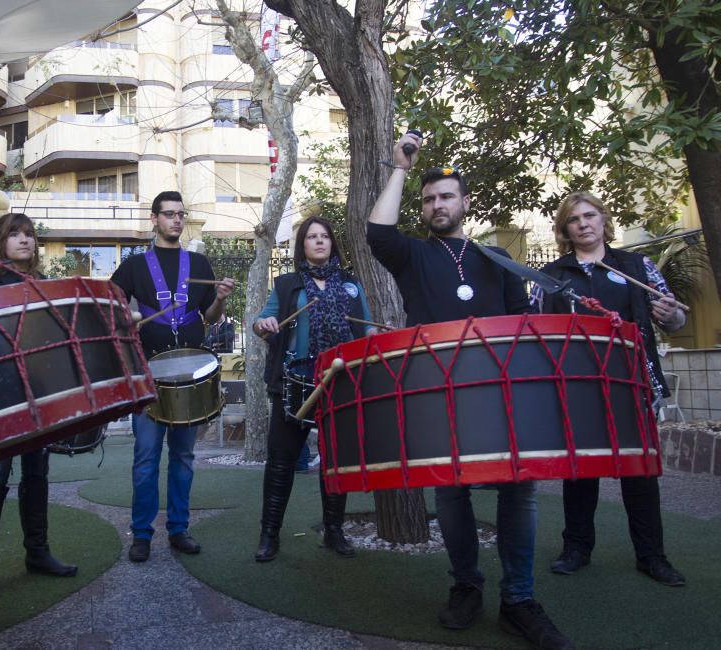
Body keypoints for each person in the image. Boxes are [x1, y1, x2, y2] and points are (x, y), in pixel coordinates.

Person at [365, 132, 573, 650]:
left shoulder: (496, 258)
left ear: (464, 203)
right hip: (439, 393)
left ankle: (519, 601)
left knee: (518, 491)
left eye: (446, 197)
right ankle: (465, 587)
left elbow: (522, 325)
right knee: (451, 492)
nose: (438, 205)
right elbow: (376, 232)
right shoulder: (411, 255)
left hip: (501, 395)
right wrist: (401, 169)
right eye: (430, 199)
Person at [532, 191, 686, 587]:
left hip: (632, 381)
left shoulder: (637, 265)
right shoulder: (552, 276)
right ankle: (577, 549)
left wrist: (673, 314)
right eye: (574, 219)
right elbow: (534, 329)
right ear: (565, 229)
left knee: (639, 472)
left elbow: (675, 318)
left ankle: (652, 556)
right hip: (577, 387)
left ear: (603, 219)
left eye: (590, 215)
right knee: (581, 471)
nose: (583, 224)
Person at [110, 191, 234, 562]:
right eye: (169, 214)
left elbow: (210, 318)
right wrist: (126, 316)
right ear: (154, 219)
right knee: (146, 457)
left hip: (190, 374)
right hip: (148, 376)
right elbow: (111, 307)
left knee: (182, 456)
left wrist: (222, 298)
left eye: (181, 214)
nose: (176, 220)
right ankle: (142, 534)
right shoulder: (133, 266)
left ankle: (179, 529)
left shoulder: (197, 263)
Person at [0, 212, 78, 600]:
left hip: (36, 389)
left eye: (29, 234)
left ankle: (38, 553)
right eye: (15, 234)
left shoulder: (44, 284)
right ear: (1, 241)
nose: (24, 241)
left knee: (36, 470)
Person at [252, 216, 378, 562]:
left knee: (335, 461)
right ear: (302, 245)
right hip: (294, 381)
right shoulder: (288, 284)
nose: (319, 241)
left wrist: (377, 338)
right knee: (281, 461)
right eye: (312, 237)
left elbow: (365, 329)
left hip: (340, 381)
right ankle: (269, 534)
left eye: (324, 236)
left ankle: (334, 530)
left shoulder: (351, 284)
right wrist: (264, 324)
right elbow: (262, 323)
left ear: (332, 244)